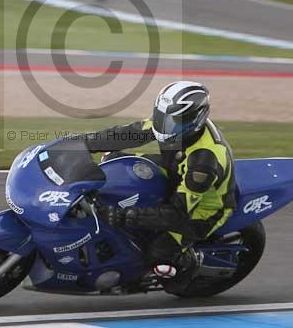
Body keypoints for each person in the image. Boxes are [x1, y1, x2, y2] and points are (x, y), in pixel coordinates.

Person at [80, 81, 236, 292]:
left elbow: (177, 213)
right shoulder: (172, 124)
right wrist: (83, 142)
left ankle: (187, 264)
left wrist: (125, 216)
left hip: (202, 211)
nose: (163, 126)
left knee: (158, 254)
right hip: (176, 170)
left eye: (172, 121)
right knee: (115, 159)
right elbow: (128, 133)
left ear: (195, 120)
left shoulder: (203, 162)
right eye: (162, 117)